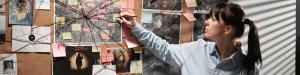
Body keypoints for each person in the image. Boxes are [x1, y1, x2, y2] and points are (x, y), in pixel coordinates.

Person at [119, 2, 262, 75]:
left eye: (213, 19)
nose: (206, 22)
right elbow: (163, 49)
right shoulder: (197, 50)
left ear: (228, 29)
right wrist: (135, 27)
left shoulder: (248, 68)